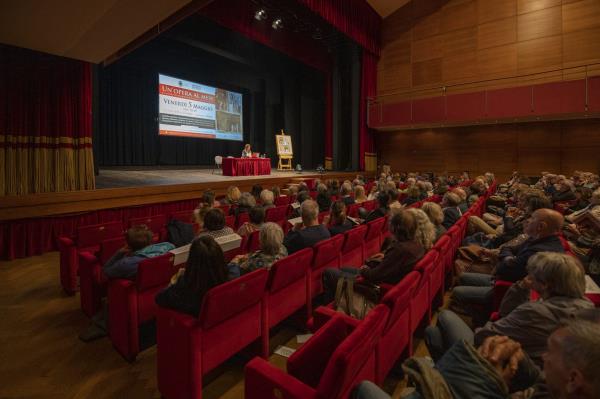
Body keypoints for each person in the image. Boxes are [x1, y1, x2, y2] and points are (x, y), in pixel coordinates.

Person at [426, 252, 593, 365]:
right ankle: (448, 372)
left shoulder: (536, 312)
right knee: (436, 335)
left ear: (545, 284)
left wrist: (485, 327)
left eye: (532, 276)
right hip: (525, 360)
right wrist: (521, 287)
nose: (528, 279)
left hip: (496, 361)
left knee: (443, 319)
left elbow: (484, 335)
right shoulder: (587, 306)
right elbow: (506, 314)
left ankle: (453, 376)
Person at [452, 209, 566, 316]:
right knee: (463, 277)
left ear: (541, 226)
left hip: (508, 289)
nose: (527, 221)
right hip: (500, 277)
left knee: (457, 292)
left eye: (532, 218)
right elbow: (508, 249)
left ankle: (476, 311)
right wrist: (509, 259)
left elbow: (505, 269)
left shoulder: (541, 250)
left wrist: (507, 259)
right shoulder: (535, 238)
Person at [323, 210, 424, 296]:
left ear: (394, 228)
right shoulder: (417, 244)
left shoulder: (400, 249)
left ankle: (337, 307)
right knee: (344, 268)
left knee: (329, 272)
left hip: (375, 287)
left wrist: (364, 270)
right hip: (387, 280)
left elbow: (374, 276)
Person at [155, 236, 228, 317]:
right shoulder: (227, 277)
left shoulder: (183, 286)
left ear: (191, 259)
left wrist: (174, 281)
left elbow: (159, 298)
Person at [103, 225, 175, 279]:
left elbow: (106, 271)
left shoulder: (125, 263)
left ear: (128, 245)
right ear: (150, 242)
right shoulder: (167, 246)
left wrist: (119, 253)